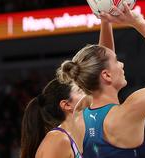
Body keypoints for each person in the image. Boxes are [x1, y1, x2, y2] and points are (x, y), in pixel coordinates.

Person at [57, 2, 145, 157]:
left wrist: (105, 20)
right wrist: (137, 22)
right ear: (106, 75)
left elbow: (102, 63)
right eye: (117, 61)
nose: (122, 64)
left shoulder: (79, 114)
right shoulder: (130, 111)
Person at [20, 16, 116, 158]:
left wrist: (106, 21)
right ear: (66, 105)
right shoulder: (58, 140)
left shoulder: (86, 133)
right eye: (80, 89)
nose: (88, 90)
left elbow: (105, 64)